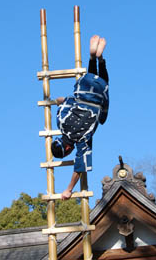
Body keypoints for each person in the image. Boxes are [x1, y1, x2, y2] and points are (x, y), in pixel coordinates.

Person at [51, 35, 109, 200]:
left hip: (98, 100)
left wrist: (68, 189)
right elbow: (66, 102)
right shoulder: (61, 122)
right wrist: (59, 101)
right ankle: (93, 57)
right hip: (82, 91)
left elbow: (79, 167)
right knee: (91, 79)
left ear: (67, 149)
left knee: (103, 83)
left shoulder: (82, 141)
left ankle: (101, 59)